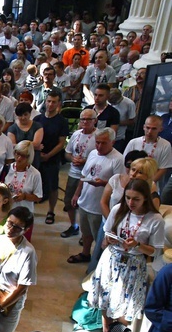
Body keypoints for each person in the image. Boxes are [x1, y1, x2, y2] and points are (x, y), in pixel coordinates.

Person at [89, 179, 164, 332]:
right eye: (128, 197)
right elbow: (106, 236)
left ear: (145, 198)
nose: (131, 202)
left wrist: (137, 245)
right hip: (112, 260)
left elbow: (154, 251)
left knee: (125, 306)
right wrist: (110, 239)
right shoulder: (118, 209)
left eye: (136, 199)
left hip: (133, 265)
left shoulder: (155, 219)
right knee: (105, 300)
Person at [68, 128, 125, 263]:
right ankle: (85, 253)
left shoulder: (118, 159)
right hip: (85, 199)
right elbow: (84, 175)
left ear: (112, 142)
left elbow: (119, 184)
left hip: (100, 205)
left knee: (98, 236)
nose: (99, 146)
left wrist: (103, 183)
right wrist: (77, 194)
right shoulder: (93, 153)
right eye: (97, 142)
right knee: (86, 233)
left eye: (103, 143)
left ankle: (98, 261)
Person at [61, 109, 98, 238]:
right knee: (69, 201)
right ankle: (73, 226)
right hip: (74, 173)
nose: (85, 122)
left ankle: (85, 234)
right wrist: (72, 159)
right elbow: (67, 153)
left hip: (90, 176)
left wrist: (85, 161)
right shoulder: (76, 134)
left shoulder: (98, 136)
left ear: (95, 120)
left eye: (88, 119)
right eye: (82, 119)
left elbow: (100, 157)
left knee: (85, 204)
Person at [34, 91, 69, 225]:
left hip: (52, 157)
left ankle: (51, 211)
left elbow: (61, 143)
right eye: (48, 101)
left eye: (54, 102)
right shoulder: (38, 119)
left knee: (53, 186)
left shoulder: (62, 121)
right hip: (38, 156)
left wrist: (48, 155)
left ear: (58, 103)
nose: (50, 104)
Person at [0, 141, 43, 217]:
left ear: (29, 157)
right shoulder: (6, 168)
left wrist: (24, 196)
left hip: (24, 214)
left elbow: (38, 197)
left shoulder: (35, 174)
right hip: (5, 211)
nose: (19, 158)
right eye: (17, 153)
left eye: (23, 156)